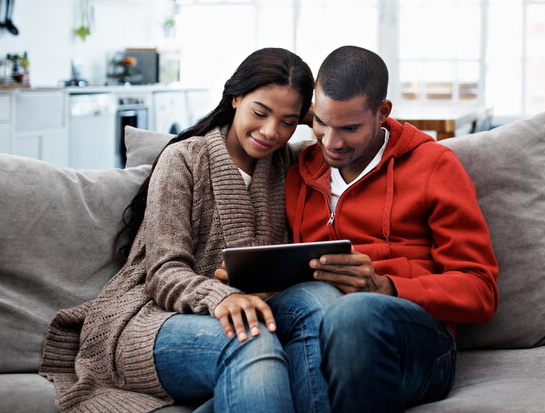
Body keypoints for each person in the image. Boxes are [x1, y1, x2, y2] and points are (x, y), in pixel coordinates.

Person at [39, 47, 338, 413]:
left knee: (321, 304)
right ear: (236, 98)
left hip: (255, 307)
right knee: (249, 338)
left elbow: (361, 133)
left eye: (288, 121)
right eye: (260, 112)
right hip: (156, 318)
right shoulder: (184, 158)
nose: (270, 131)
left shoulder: (291, 162)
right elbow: (163, 272)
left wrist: (320, 114)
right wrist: (220, 297)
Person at [284, 45, 499, 412]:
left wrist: (387, 287)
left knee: (352, 314)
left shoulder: (434, 166)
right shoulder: (299, 171)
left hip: (416, 340)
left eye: (350, 128)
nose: (331, 143)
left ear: (382, 113)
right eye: (321, 122)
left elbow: (480, 290)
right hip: (319, 338)